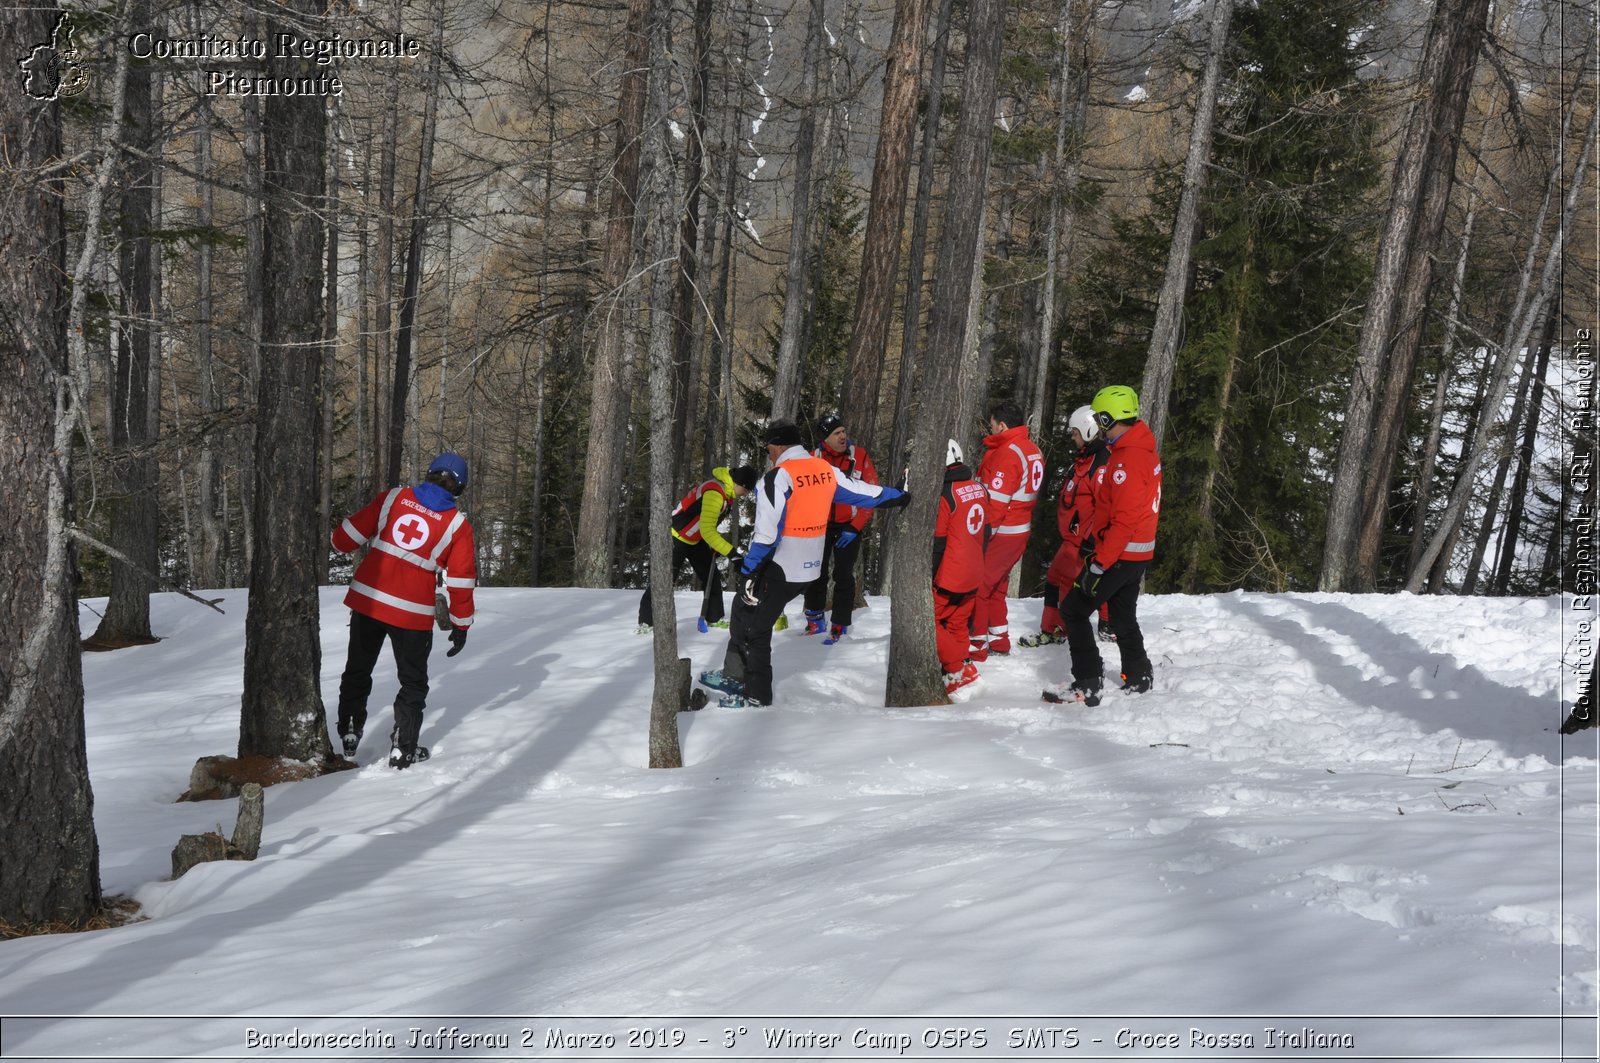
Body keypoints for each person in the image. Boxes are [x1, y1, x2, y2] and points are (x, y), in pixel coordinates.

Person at [698, 420, 909, 707]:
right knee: (742, 609)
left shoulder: (777, 478)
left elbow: (766, 534)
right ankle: (734, 674)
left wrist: (748, 570)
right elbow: (866, 493)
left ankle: (755, 693)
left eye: (768, 448)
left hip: (782, 566)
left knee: (755, 627)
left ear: (778, 445)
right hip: (812, 567)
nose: (768, 453)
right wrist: (899, 495)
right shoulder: (824, 469)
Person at [330, 452, 477, 768]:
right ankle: (403, 747)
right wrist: (461, 624)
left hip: (368, 600)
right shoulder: (457, 525)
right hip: (411, 612)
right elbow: (461, 582)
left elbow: (344, 540)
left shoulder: (393, 498)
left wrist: (336, 535)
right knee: (412, 682)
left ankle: (350, 730)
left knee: (358, 668)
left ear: (429, 473)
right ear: (459, 488)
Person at [1045, 385, 1162, 706]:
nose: (1098, 424)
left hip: (1122, 553)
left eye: (1100, 418)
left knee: (1074, 610)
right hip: (1136, 552)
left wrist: (1099, 563)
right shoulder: (1139, 447)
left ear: (1110, 418)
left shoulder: (1127, 462)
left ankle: (1088, 682)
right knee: (1123, 616)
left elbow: (1124, 520)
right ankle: (1139, 673)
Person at [1019, 405, 1112, 648]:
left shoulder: (1100, 464)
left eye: (1075, 433)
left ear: (1088, 430)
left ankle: (1072, 630)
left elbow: (1105, 508)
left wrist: (1090, 542)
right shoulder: (1084, 459)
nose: (1072, 437)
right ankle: (1052, 629)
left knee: (1071, 588)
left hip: (1084, 543)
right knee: (1053, 579)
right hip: (1072, 539)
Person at [637, 464, 758, 634]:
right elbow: (707, 530)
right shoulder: (716, 492)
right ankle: (646, 623)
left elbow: (706, 524)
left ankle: (714, 618)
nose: (745, 494)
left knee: (711, 576)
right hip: (676, 537)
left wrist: (715, 545)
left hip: (696, 539)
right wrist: (732, 554)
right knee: (663, 581)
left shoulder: (726, 492)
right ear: (740, 484)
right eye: (746, 490)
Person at [972, 400, 1045, 660]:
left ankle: (977, 645)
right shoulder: (1030, 448)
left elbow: (997, 502)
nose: (989, 430)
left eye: (992, 425)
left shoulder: (1008, 452)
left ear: (1002, 425)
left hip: (1004, 531)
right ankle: (999, 640)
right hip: (1018, 529)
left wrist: (983, 533)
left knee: (980, 586)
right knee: (997, 586)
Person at [801, 413, 881, 645]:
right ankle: (814, 619)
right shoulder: (812, 458)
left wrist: (855, 527)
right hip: (820, 526)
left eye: (844, 431)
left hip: (849, 526)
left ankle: (839, 624)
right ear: (826, 438)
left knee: (843, 576)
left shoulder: (859, 456)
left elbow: (871, 493)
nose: (843, 436)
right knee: (815, 573)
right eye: (837, 433)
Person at [934, 440, 988, 696]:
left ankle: (957, 668)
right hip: (974, 569)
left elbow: (939, 541)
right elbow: (986, 531)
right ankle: (962, 665)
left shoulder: (946, 494)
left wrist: (932, 573)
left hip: (950, 574)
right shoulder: (979, 488)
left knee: (930, 620)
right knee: (957, 622)